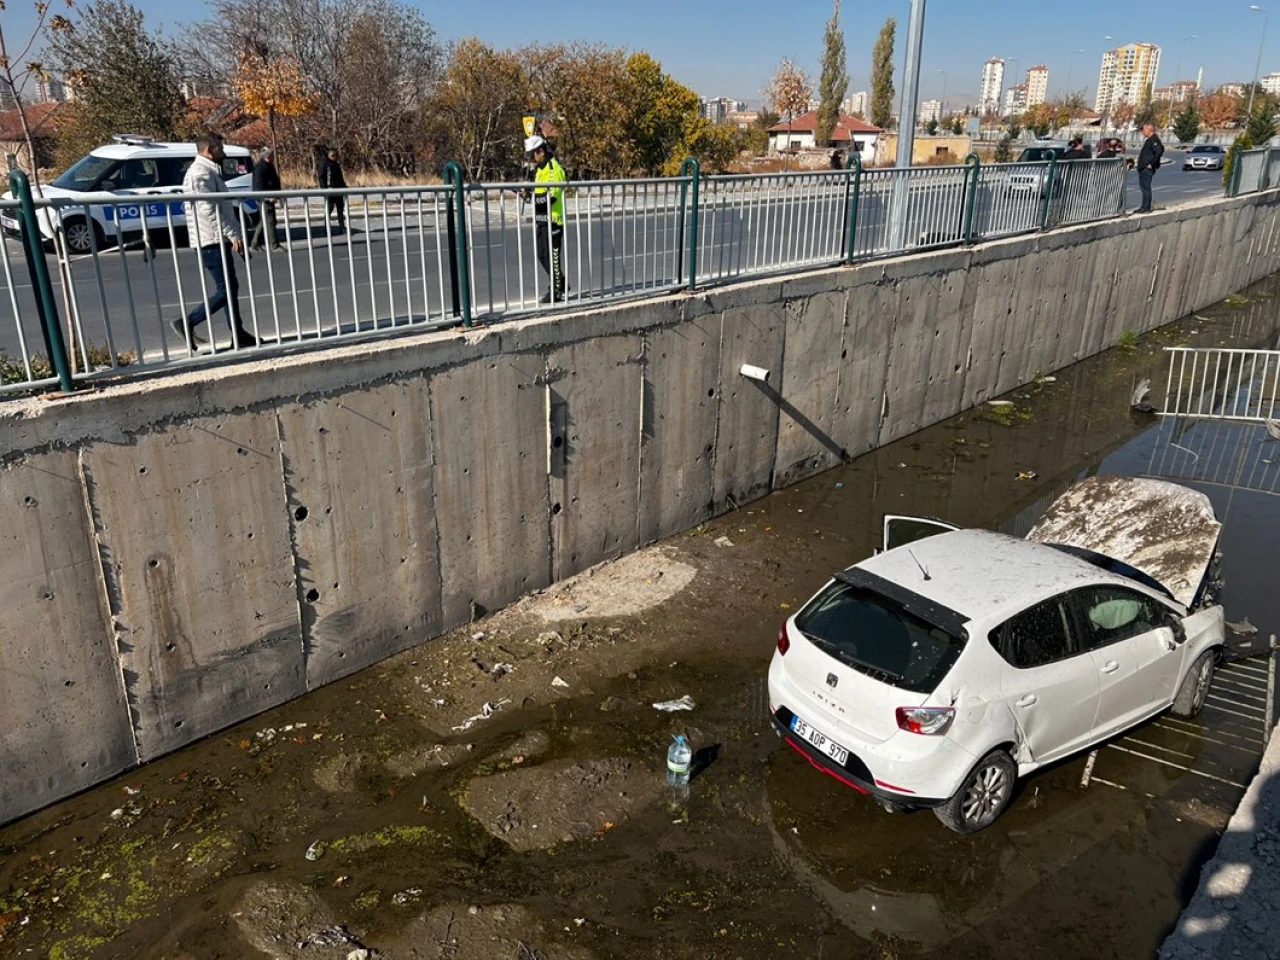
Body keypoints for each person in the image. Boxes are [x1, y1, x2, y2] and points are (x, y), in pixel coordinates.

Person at [172, 131, 258, 349]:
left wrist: (235, 234)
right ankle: (188, 322)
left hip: (216, 238)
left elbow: (221, 208)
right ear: (208, 150)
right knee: (226, 289)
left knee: (229, 287)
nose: (224, 152)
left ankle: (238, 335)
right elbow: (209, 209)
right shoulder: (200, 173)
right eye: (220, 148)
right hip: (210, 240)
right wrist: (232, 234)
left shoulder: (208, 171)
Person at [524, 135, 566, 303]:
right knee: (542, 255)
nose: (531, 159)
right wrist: (528, 194)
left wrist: (531, 198)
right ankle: (560, 282)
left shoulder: (552, 169)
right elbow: (539, 193)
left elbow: (551, 197)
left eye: (532, 154)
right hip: (541, 219)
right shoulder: (540, 169)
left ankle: (556, 290)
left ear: (540, 151)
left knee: (552, 257)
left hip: (553, 220)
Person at [250, 146, 282, 251]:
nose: (274, 157)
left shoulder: (269, 166)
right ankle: (274, 245)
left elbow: (275, 181)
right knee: (270, 221)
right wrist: (268, 197)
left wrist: (278, 195)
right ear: (268, 156)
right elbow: (259, 185)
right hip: (264, 199)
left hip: (268, 197)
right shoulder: (260, 167)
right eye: (272, 155)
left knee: (264, 221)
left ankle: (255, 243)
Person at [1136, 122, 1164, 214]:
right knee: (1144, 188)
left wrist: (1152, 164)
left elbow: (1159, 151)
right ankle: (1143, 206)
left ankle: (1146, 208)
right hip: (1143, 168)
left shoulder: (1154, 140)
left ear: (1149, 130)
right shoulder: (1150, 140)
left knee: (1146, 188)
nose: (1143, 132)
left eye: (1144, 130)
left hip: (1147, 169)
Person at [320, 147, 346, 233]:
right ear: (329, 155)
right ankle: (326, 229)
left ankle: (342, 227)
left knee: (340, 209)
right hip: (329, 190)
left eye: (336, 155)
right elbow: (321, 176)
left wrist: (344, 187)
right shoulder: (325, 164)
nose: (335, 157)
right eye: (333, 156)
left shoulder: (336, 164)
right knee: (329, 209)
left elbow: (340, 177)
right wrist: (324, 189)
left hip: (338, 190)